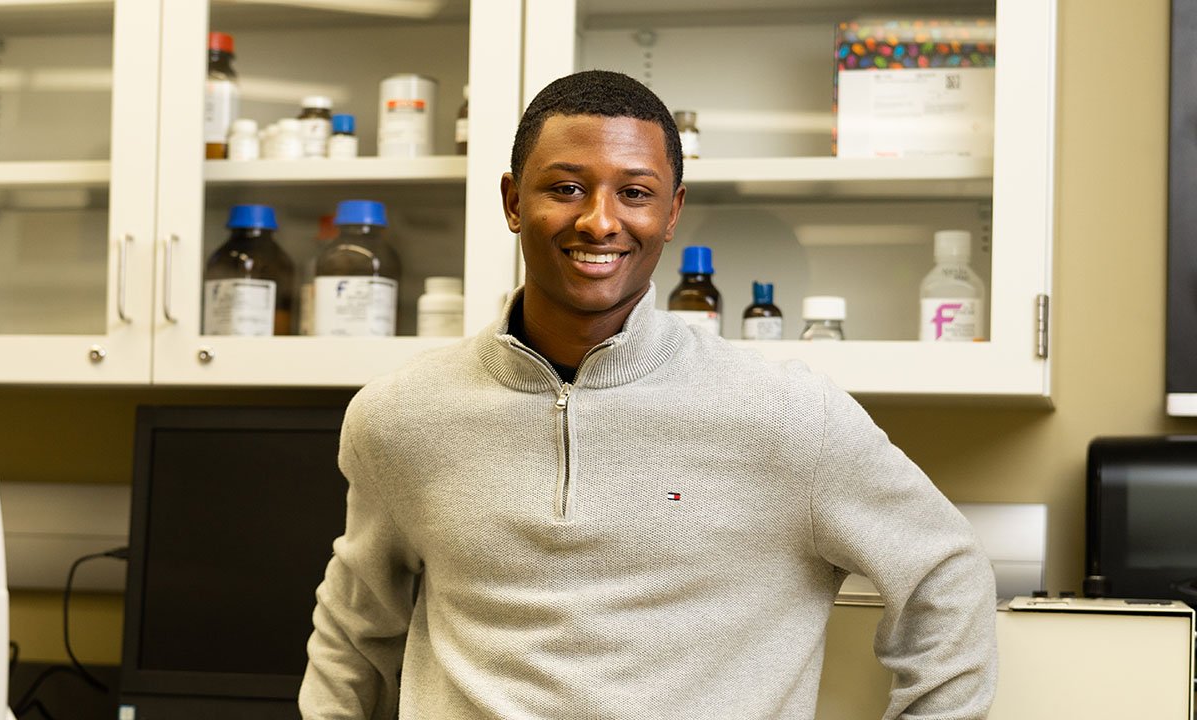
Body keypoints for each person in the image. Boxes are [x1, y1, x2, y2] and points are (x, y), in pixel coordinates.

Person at [300, 70, 997, 720]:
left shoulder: (788, 416)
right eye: (566, 188)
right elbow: (355, 633)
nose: (600, 221)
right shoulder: (397, 417)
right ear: (513, 201)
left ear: (671, 212)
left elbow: (945, 576)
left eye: (634, 192)